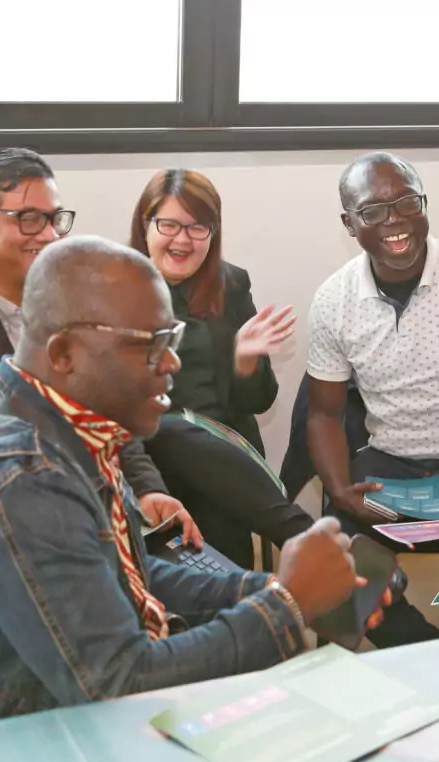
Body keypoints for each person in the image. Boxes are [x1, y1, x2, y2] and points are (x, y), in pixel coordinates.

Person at [0, 235, 386, 735]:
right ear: (64, 353)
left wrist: (280, 588)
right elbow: (117, 683)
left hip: (56, 730)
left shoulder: (67, 428)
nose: (171, 364)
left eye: (172, 339)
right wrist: (287, 605)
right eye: (151, 345)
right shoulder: (21, 473)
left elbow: (128, 579)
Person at [0, 148, 201, 545]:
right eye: (29, 219)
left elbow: (105, 411)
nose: (49, 236)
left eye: (54, 219)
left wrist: (148, 489)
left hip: (98, 512)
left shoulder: (64, 293)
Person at [307, 152, 439, 645]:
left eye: (406, 203)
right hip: (390, 467)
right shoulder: (334, 300)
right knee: (334, 573)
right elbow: (322, 414)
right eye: (372, 211)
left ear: (424, 203)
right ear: (349, 223)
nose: (394, 221)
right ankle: (425, 653)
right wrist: (338, 488)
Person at [128, 169, 317, 568]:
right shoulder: (115, 287)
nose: (182, 239)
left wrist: (244, 360)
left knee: (226, 552)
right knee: (172, 427)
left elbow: (259, 403)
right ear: (144, 226)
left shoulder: (229, 284)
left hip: (224, 466)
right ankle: (305, 538)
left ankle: (302, 558)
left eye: (198, 228)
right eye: (169, 224)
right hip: (149, 464)